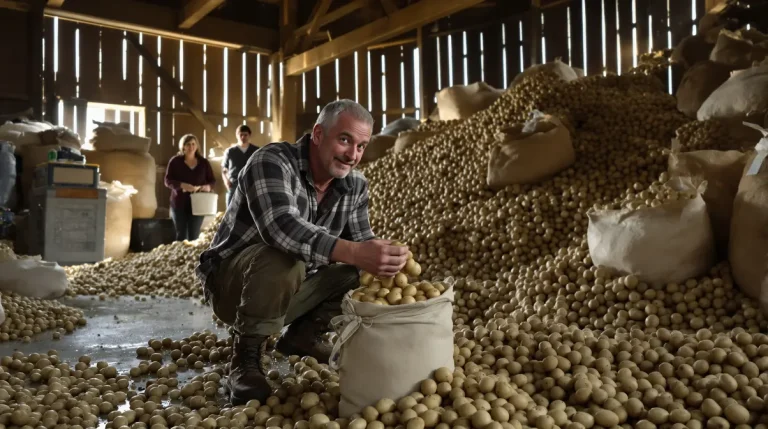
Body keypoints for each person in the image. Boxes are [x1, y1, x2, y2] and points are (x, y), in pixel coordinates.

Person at [196, 100, 410, 404]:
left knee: (354, 271)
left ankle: (302, 337)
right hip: (233, 287)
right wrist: (355, 251)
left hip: (290, 290)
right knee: (286, 256)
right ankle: (245, 360)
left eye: (361, 146)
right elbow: (281, 229)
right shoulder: (270, 161)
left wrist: (389, 268)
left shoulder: (355, 186)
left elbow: (363, 246)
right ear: (319, 134)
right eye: (345, 139)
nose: (353, 155)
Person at [164, 134, 216, 241]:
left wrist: (208, 187)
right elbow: (167, 181)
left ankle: (192, 257)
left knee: (194, 236)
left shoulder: (204, 163)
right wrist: (181, 185)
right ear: (183, 147)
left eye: (193, 144)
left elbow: (212, 180)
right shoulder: (175, 161)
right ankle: (179, 256)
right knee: (181, 236)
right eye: (188, 144)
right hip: (179, 204)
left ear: (197, 146)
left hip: (198, 205)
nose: (191, 147)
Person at [222, 124, 258, 206]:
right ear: (237, 135)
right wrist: (226, 181)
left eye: (245, 135)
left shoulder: (255, 151)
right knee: (231, 211)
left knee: (251, 211)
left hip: (251, 186)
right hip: (234, 185)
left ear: (249, 135)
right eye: (241, 135)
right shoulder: (230, 152)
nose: (243, 137)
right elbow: (224, 170)